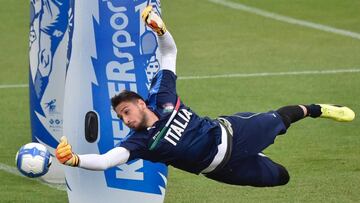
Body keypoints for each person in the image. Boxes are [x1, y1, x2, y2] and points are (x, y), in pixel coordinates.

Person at [56, 6, 355, 187]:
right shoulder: (141, 142)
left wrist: (160, 31)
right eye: (120, 116)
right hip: (222, 168)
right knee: (282, 177)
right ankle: (260, 157)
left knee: (284, 117)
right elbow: (107, 161)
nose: (124, 118)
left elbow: (169, 52)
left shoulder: (163, 95)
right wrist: (76, 160)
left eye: (125, 111)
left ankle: (319, 109)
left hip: (235, 134)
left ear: (140, 102)